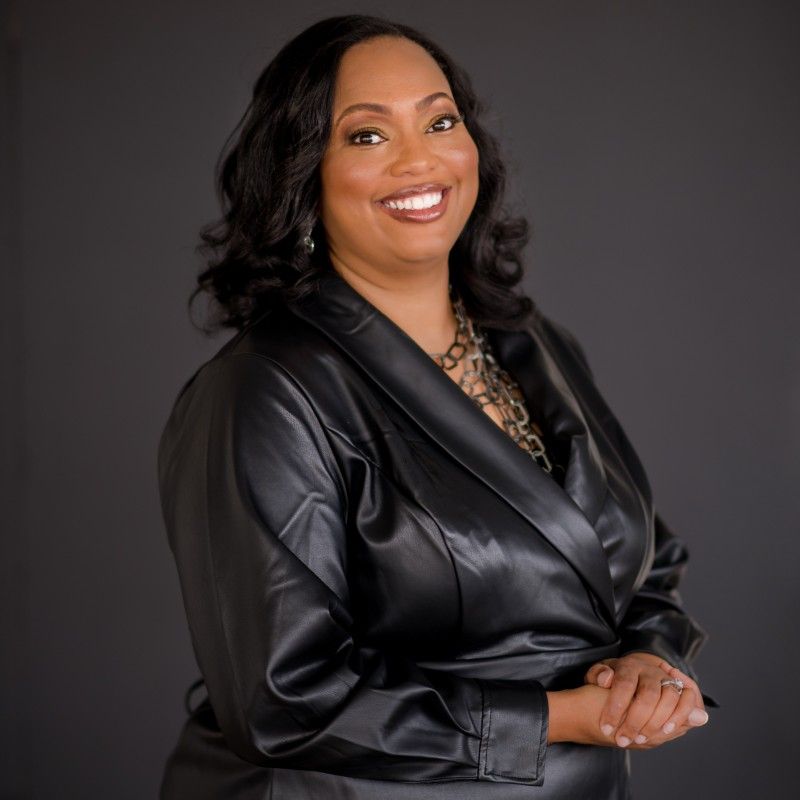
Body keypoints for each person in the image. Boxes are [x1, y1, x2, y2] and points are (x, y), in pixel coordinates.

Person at [156, 13, 717, 799]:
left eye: (440, 120)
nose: (420, 160)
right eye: (366, 136)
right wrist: (559, 718)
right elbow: (283, 699)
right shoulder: (266, 391)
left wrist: (650, 664)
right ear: (300, 172)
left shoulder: (535, 344)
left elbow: (643, 555)